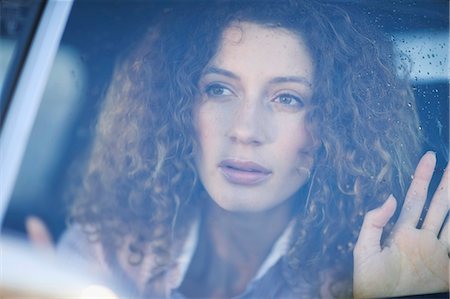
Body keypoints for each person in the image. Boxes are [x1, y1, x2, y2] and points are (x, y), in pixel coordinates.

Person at [27, 0, 449, 298]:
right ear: (176, 109)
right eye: (218, 89)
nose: (245, 130)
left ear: (335, 127)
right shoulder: (107, 248)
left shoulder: (356, 279)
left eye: (288, 98)